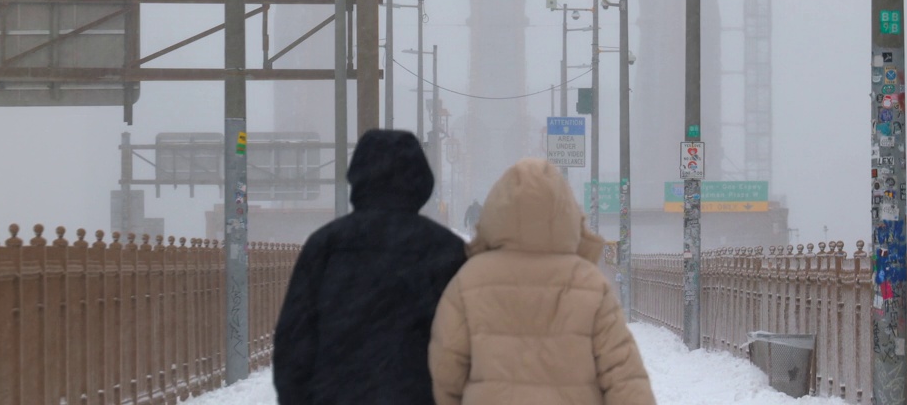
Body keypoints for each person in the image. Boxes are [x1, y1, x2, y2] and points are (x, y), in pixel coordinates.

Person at [429, 157, 656, 405]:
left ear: (496, 212)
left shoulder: (468, 281)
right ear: (566, 212)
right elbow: (623, 375)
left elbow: (445, 372)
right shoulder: (590, 284)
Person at [273, 129, 467, 404]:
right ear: (421, 180)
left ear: (358, 177)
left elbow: (294, 342)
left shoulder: (326, 246)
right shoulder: (447, 250)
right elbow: (465, 346)